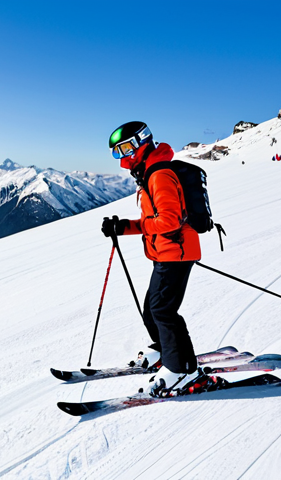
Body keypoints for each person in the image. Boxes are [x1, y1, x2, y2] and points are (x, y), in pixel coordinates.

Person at [102, 121, 201, 397]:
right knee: (152, 309)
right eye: (116, 151)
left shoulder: (159, 175)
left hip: (176, 253)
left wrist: (139, 227)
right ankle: (164, 350)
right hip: (167, 252)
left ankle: (181, 368)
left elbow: (168, 221)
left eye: (124, 148)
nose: (121, 157)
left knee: (163, 311)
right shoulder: (149, 173)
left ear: (141, 142)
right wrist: (122, 226)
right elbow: (153, 220)